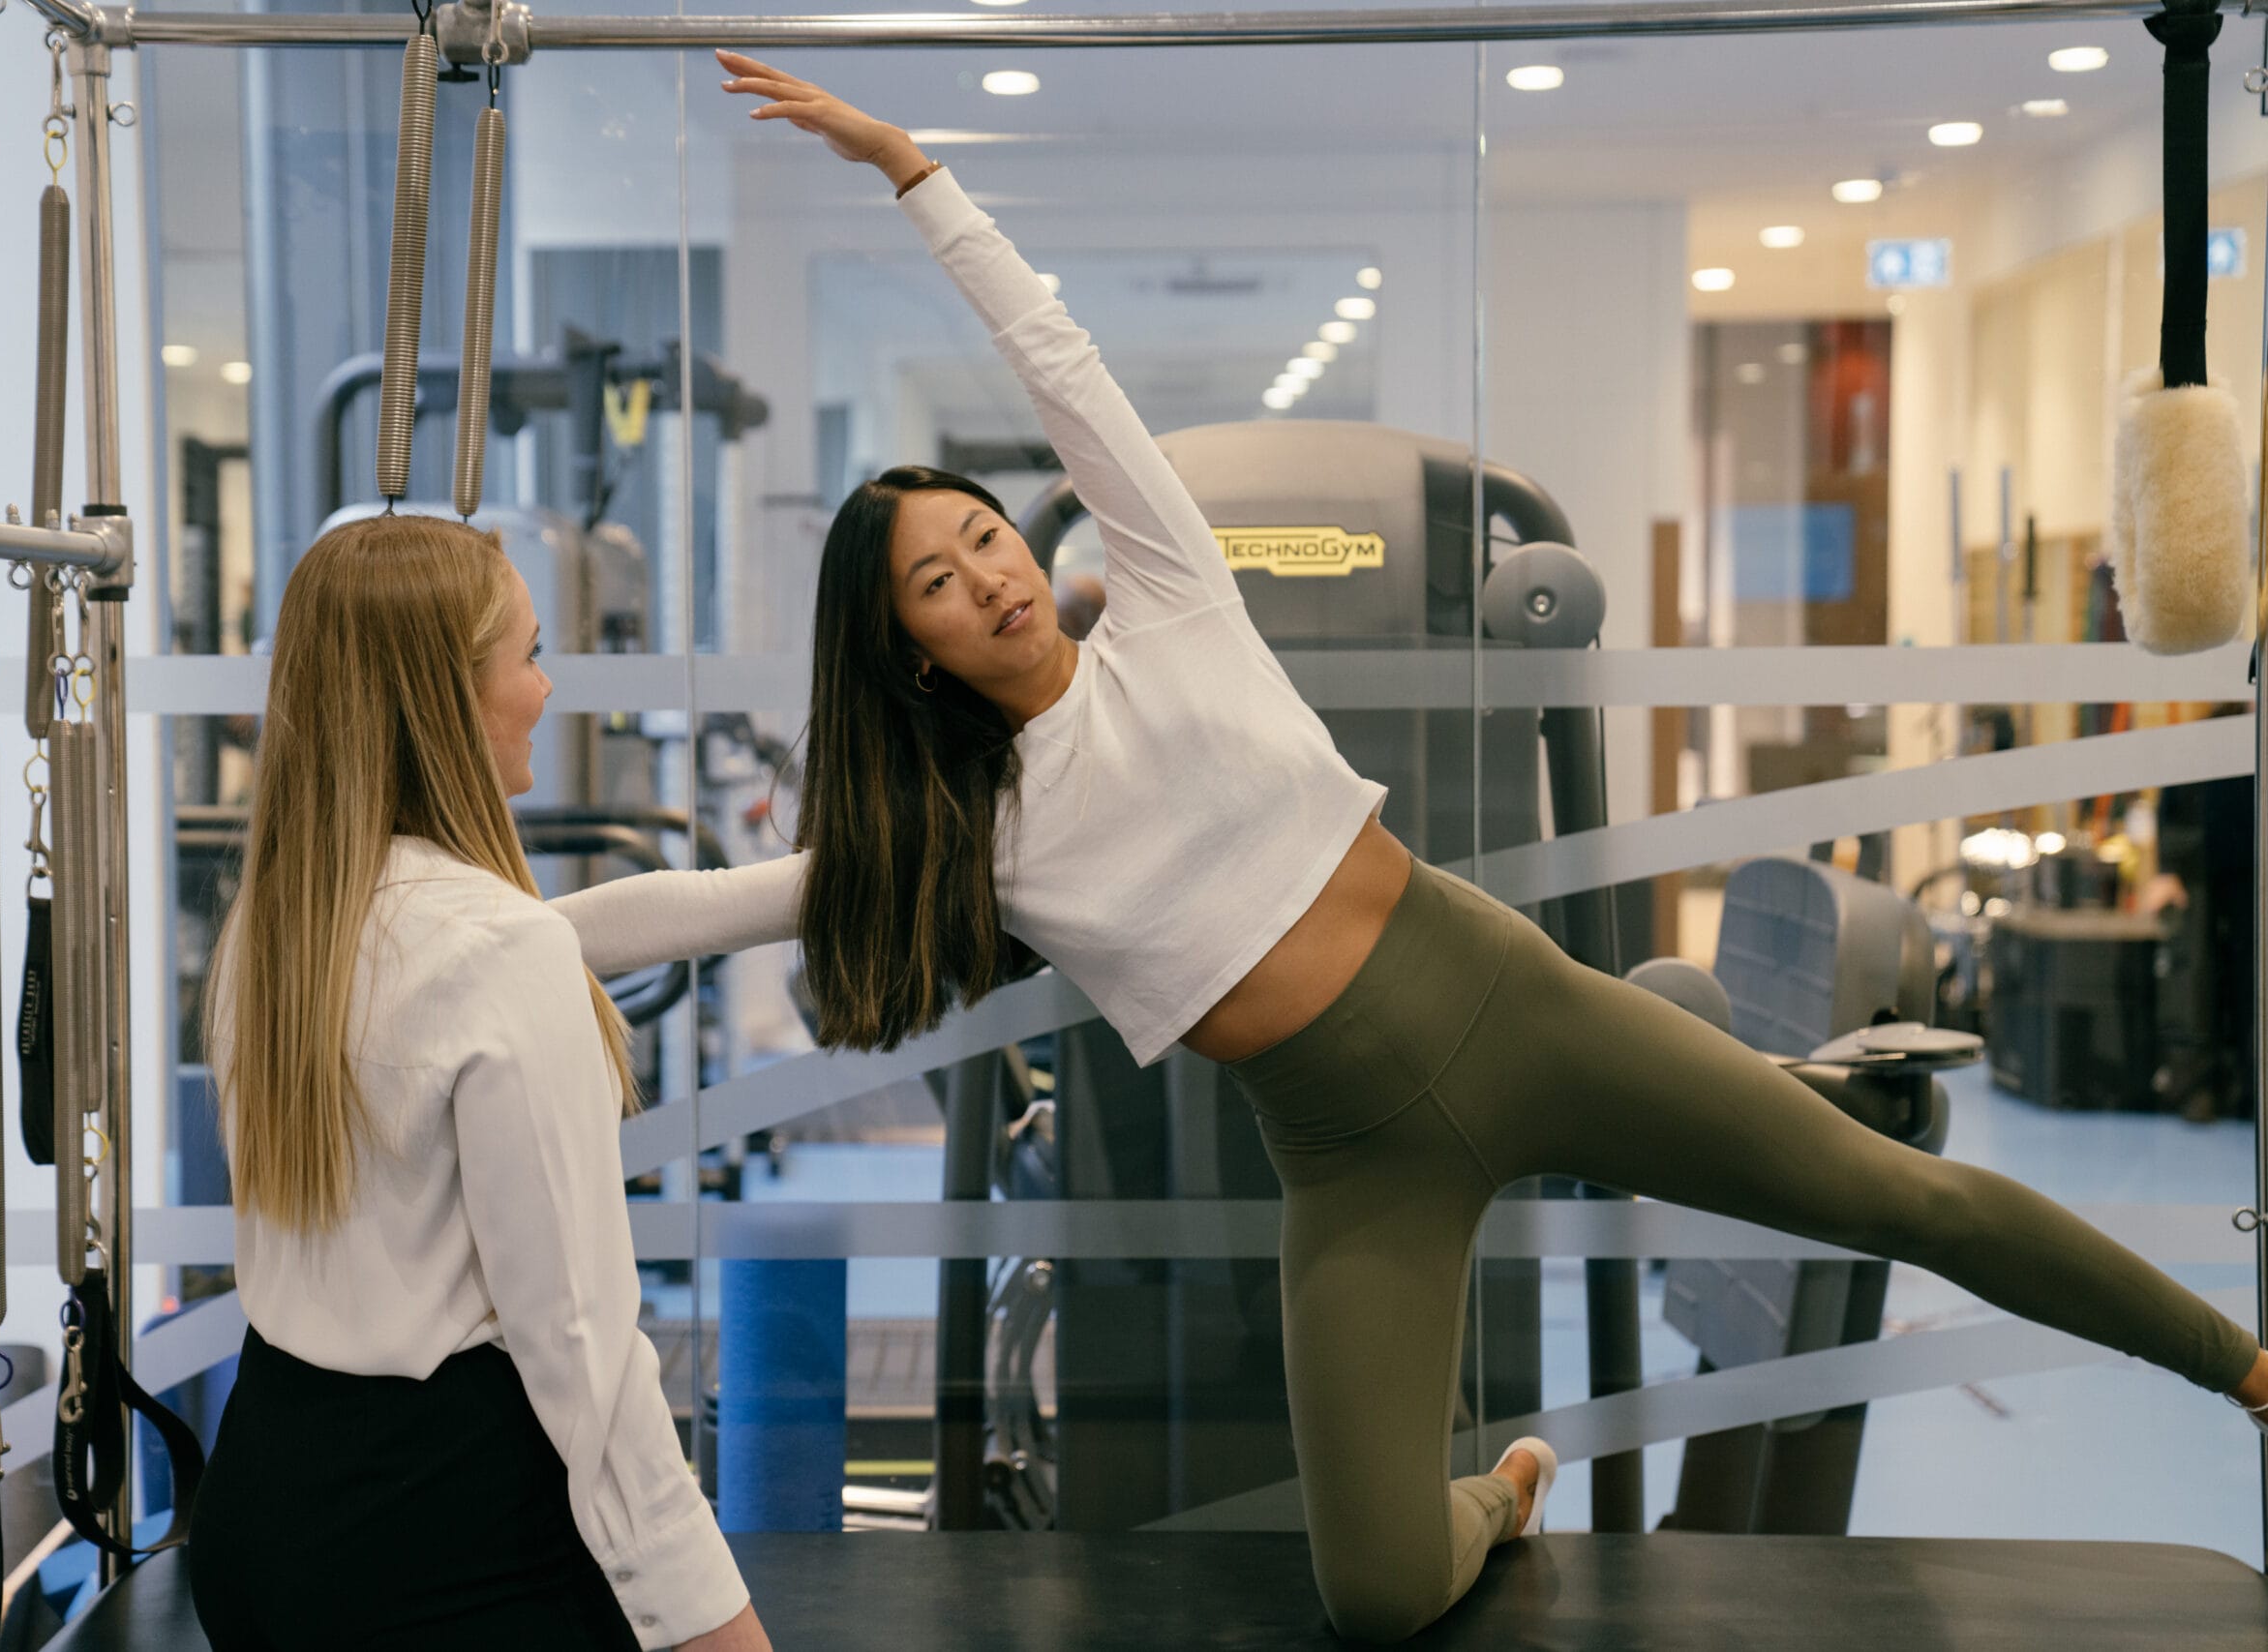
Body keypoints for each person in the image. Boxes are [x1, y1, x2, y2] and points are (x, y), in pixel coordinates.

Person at [546, 54, 2268, 1643]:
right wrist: (492, 936)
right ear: (908, 645)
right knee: (1377, 1599)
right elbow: (708, 899)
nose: (990, 574)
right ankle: (1504, 1490)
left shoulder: (1169, 596)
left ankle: (2244, 1364)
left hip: (1508, 1004)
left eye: (985, 536)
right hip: (1354, 1158)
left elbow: (1060, 367)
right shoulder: (973, 838)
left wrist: (917, 171)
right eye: (940, 578)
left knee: (1896, 1197)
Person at [188, 515, 770, 1652]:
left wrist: (833, 884)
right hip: (447, 1541)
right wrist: (712, 1623)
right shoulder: (493, 953)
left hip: (268, 1511)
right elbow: (583, 1348)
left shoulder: (284, 922)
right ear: (449, 697)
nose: (548, 689)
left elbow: (528, 944)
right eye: (530, 656)